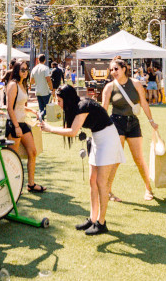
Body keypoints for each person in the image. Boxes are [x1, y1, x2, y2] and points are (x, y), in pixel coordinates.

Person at [37, 84, 125, 235]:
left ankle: (101, 223)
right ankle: (92, 219)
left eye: (59, 100)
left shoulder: (83, 106)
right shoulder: (76, 107)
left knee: (101, 184)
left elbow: (72, 132)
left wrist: (49, 128)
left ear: (68, 99)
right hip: (98, 139)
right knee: (93, 181)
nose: (58, 104)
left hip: (109, 139)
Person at [101, 58, 157, 201]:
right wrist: (100, 126)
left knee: (139, 159)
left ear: (124, 68)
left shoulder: (136, 84)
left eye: (116, 69)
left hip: (133, 123)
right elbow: (104, 109)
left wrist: (151, 121)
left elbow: (144, 103)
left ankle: (148, 189)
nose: (113, 72)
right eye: (111, 69)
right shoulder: (109, 87)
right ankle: (107, 191)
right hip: (116, 123)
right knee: (116, 159)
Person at [4, 60, 44, 192]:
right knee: (12, 158)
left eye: (26, 69)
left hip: (23, 123)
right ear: (16, 70)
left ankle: (31, 184)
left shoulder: (22, 84)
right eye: (22, 69)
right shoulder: (13, 85)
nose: (25, 72)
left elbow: (20, 106)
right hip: (14, 124)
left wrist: (31, 111)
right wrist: (16, 126)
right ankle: (9, 185)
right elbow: (10, 108)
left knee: (32, 152)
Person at [31, 55, 53, 119]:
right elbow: (48, 79)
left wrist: (38, 80)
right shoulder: (45, 68)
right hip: (45, 91)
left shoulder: (34, 68)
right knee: (48, 108)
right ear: (45, 60)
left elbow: (31, 81)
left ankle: (41, 122)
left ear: (38, 60)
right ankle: (40, 116)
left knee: (41, 108)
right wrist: (51, 88)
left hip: (38, 91)